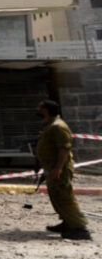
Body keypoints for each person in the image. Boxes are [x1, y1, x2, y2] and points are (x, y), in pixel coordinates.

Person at [36, 100, 91, 240]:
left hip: (60, 168)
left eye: (40, 107)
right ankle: (67, 222)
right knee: (56, 196)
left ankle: (79, 229)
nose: (37, 109)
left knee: (64, 197)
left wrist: (58, 168)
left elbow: (64, 148)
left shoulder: (58, 126)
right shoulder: (50, 125)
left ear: (46, 110)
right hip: (52, 167)